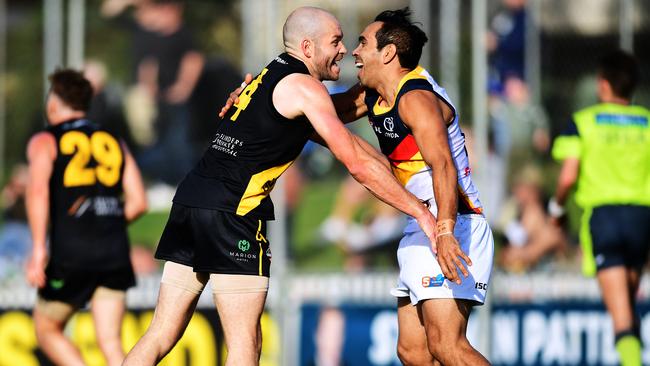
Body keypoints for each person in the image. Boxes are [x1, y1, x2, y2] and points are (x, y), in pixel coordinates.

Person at [122, 7, 436, 366]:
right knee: (245, 346)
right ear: (307, 46)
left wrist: (397, 167)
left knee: (161, 333)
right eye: (335, 41)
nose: (344, 50)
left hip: (192, 201)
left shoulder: (270, 76)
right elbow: (356, 163)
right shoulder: (305, 89)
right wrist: (420, 211)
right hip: (233, 215)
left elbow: (345, 134)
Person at [225, 8, 494, 365]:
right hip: (422, 225)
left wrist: (445, 231)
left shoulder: (416, 99)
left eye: (363, 43)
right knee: (412, 352)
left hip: (453, 223)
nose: (354, 51)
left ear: (388, 54)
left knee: (447, 346)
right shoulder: (371, 97)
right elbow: (314, 113)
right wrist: (254, 98)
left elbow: (443, 166)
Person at [25, 69, 147, 366]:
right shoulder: (113, 140)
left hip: (71, 253)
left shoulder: (45, 140)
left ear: (53, 103)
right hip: (114, 251)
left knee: (46, 329)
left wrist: (39, 248)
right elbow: (139, 202)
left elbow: (38, 192)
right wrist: (106, 224)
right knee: (110, 341)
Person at [549, 49, 650, 366]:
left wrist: (556, 209)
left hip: (604, 218)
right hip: (641, 218)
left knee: (620, 316)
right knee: (629, 311)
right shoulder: (646, 123)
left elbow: (567, 177)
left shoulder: (584, 122)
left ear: (603, 85)